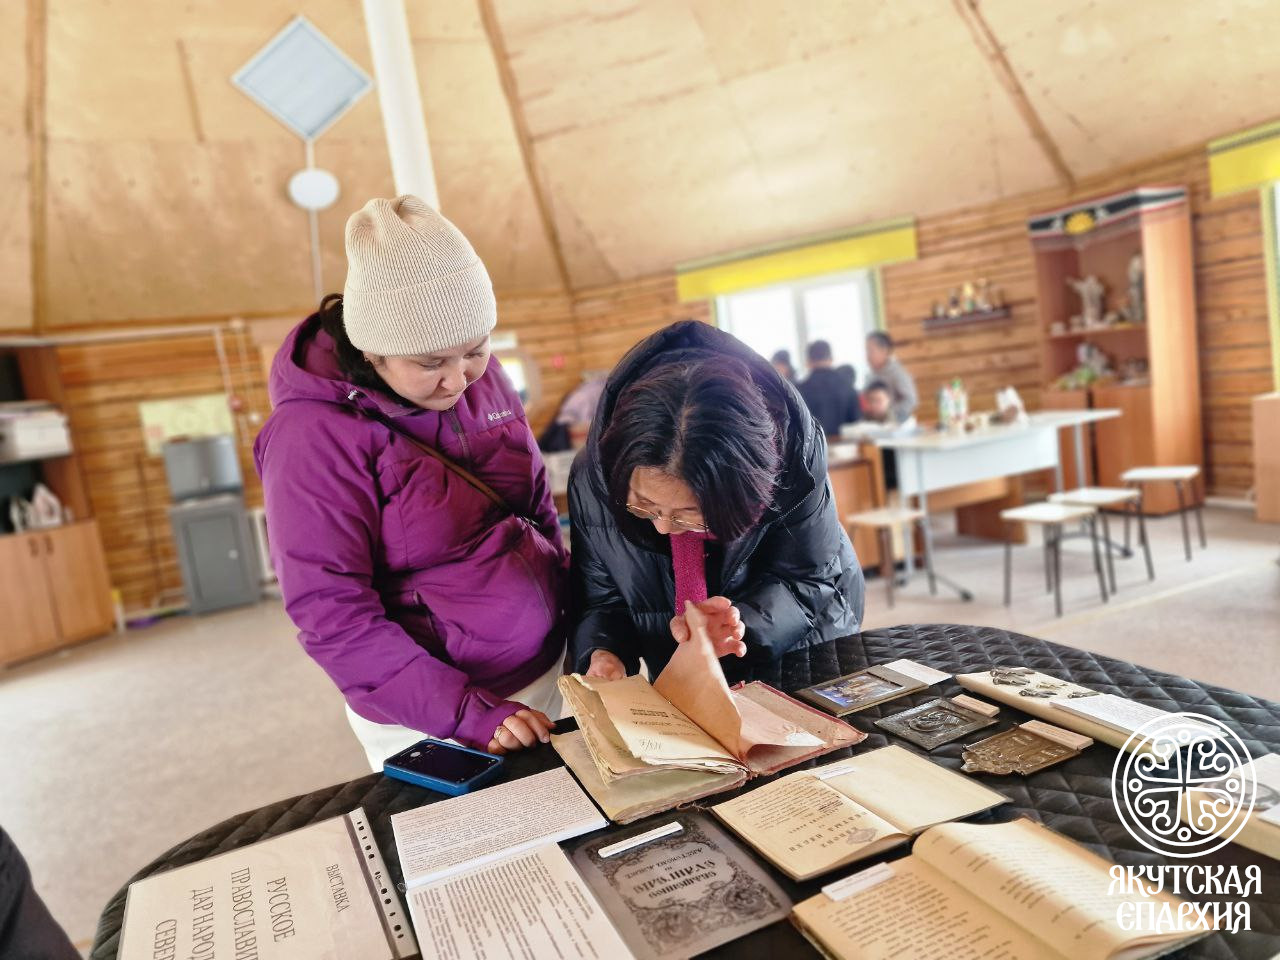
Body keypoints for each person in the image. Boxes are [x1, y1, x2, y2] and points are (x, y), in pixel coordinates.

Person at [255, 196, 568, 770]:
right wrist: (469, 713)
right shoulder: (309, 437)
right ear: (371, 350)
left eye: (476, 350)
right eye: (429, 363)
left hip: (551, 669)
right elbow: (332, 611)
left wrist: (587, 618)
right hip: (438, 712)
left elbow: (534, 509)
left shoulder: (486, 378)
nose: (459, 379)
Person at [569, 320, 865, 683]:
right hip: (683, 662)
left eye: (689, 516)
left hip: (805, 639)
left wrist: (744, 623)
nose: (662, 526)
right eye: (645, 506)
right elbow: (602, 600)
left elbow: (807, 578)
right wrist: (603, 651)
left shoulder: (794, 453)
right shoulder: (595, 476)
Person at [797, 340, 860, 437]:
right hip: (846, 447)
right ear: (831, 359)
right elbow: (856, 425)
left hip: (814, 449)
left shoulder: (799, 391)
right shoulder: (847, 386)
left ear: (808, 362)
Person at [865, 331, 918, 423]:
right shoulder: (870, 375)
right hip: (875, 426)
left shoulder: (898, 373)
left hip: (896, 427)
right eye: (867, 351)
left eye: (871, 351)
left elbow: (911, 400)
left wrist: (888, 412)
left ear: (884, 351)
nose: (867, 356)